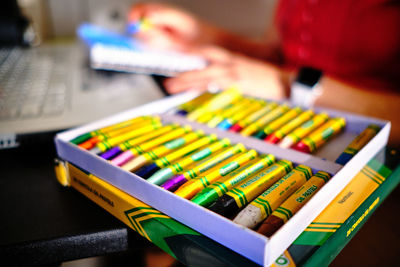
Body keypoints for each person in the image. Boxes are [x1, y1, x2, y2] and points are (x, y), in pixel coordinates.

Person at [128, 1, 400, 146]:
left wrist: (286, 85)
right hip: (284, 126)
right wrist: (200, 34)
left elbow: (280, 76)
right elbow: (279, 55)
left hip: (374, 167)